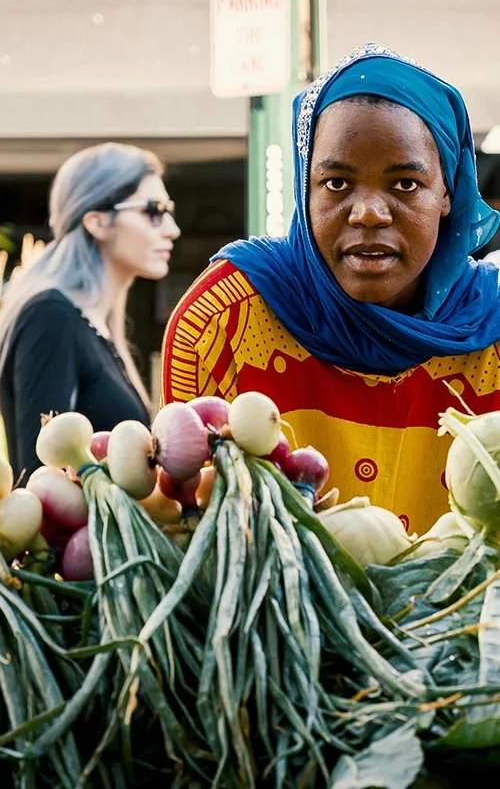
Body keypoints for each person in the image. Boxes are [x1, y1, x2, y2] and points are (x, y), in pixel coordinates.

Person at [161, 42, 500, 535]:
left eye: (405, 184)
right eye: (337, 183)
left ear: (447, 192)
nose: (367, 212)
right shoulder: (223, 321)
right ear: (305, 187)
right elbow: (188, 520)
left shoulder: (492, 332)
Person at [0, 142, 180, 481]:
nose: (171, 228)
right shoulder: (51, 317)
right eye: (153, 210)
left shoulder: (96, 327)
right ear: (97, 222)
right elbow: (41, 482)